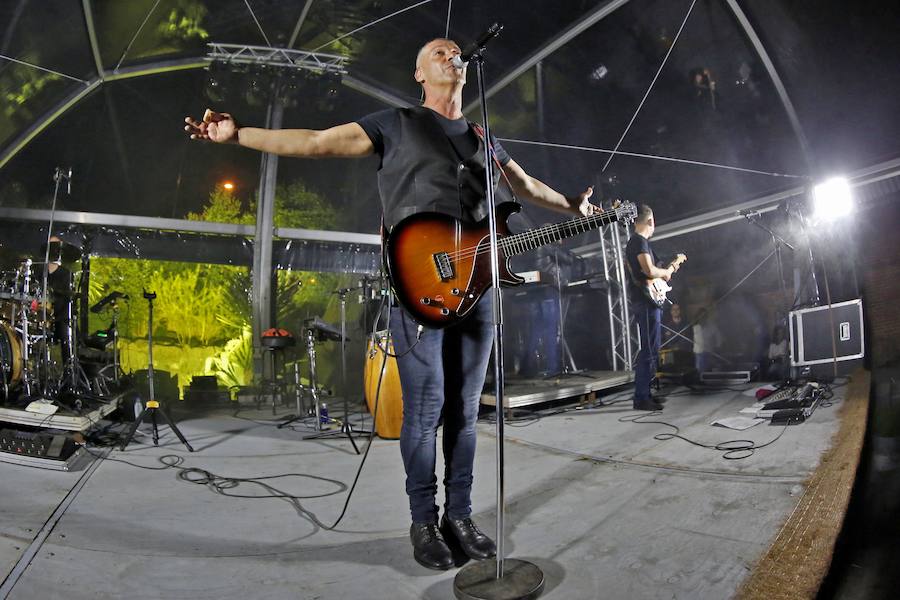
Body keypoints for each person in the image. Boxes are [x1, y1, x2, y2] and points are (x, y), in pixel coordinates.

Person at [184, 38, 597, 571]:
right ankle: (424, 520)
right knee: (424, 412)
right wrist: (239, 134)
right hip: (418, 283)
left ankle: (461, 515)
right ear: (419, 72)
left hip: (477, 288)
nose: (454, 57)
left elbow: (523, 184)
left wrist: (573, 206)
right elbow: (316, 141)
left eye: (456, 54)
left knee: (466, 413)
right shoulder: (397, 123)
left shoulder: (481, 137)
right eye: (440, 53)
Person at [624, 205, 680, 410]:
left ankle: (645, 394)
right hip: (645, 301)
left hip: (647, 300)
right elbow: (647, 270)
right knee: (649, 350)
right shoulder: (638, 241)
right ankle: (641, 398)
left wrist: (667, 270)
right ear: (650, 221)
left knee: (652, 349)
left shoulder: (638, 243)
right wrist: (665, 273)